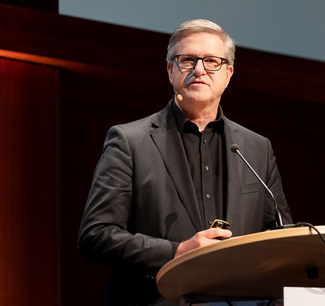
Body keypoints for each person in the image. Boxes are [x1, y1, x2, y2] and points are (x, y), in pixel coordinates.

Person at [78, 19, 293, 306]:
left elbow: (281, 235)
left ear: (229, 73)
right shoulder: (130, 141)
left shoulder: (256, 148)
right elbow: (95, 235)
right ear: (170, 70)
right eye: (187, 59)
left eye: (212, 61)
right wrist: (177, 252)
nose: (200, 70)